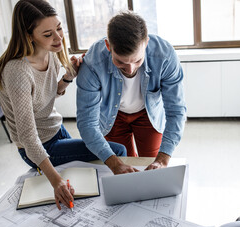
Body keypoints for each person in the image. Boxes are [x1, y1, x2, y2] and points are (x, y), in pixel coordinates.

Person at [0, 0, 126, 210]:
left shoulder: (49, 55)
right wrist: (55, 180)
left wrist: (67, 79)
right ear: (28, 36)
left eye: (59, 28)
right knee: (118, 151)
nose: (58, 37)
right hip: (37, 145)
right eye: (47, 34)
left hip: (57, 131)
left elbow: (44, 97)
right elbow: (28, 136)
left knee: (84, 179)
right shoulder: (18, 71)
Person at [76, 11, 186, 175]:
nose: (130, 69)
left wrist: (162, 160)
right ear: (108, 46)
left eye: (137, 60)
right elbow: (86, 123)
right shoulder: (92, 63)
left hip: (149, 115)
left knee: (152, 167)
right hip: (112, 117)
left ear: (146, 43)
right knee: (123, 166)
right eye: (120, 62)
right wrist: (114, 164)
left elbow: (176, 110)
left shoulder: (165, 56)